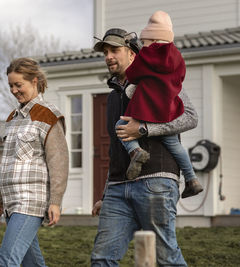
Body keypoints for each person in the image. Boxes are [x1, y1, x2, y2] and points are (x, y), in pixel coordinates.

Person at [90, 23, 198, 267]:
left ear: (132, 53)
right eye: (105, 52)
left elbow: (191, 117)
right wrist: (105, 194)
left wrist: (145, 129)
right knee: (101, 258)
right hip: (118, 189)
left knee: (166, 258)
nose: (108, 57)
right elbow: (116, 149)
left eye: (114, 50)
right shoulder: (112, 96)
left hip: (155, 182)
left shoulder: (159, 79)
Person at [114, 10, 203, 198]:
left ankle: (135, 151)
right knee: (174, 145)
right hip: (169, 110)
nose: (143, 45)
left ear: (153, 40)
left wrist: (138, 82)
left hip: (146, 108)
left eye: (145, 41)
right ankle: (192, 178)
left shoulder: (146, 55)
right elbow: (180, 77)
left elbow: (133, 74)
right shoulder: (177, 57)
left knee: (121, 126)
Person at [0, 57, 69, 267]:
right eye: (10, 86)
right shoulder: (12, 118)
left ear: (34, 81)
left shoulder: (49, 115)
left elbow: (59, 162)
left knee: (7, 261)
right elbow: (7, 162)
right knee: (31, 263)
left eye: (19, 85)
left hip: (31, 200)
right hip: (11, 201)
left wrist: (55, 202)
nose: (14, 90)